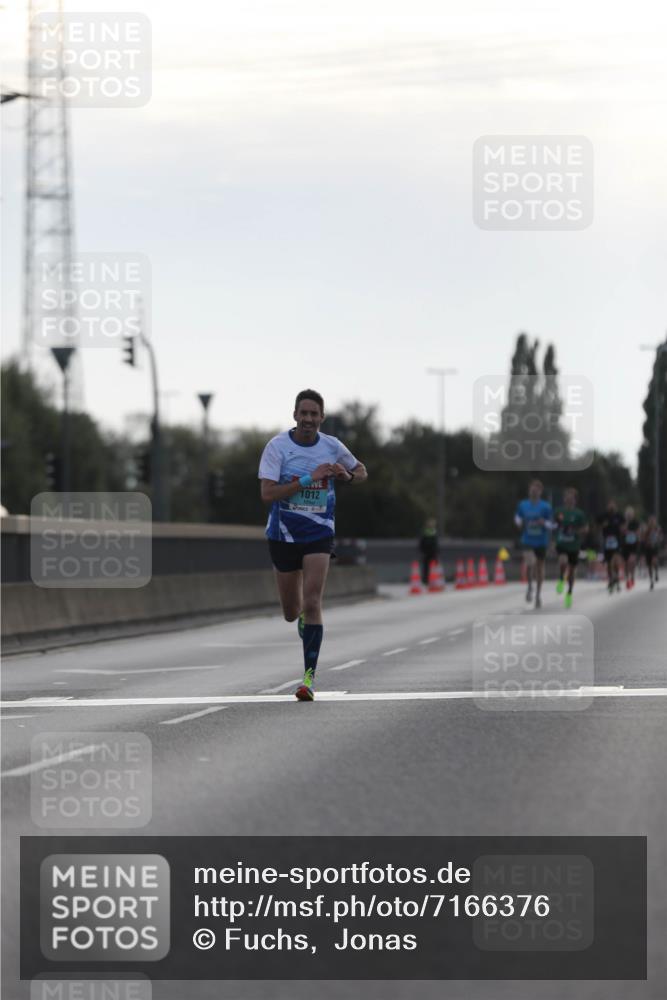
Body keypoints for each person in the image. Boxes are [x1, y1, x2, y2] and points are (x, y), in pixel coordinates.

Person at [258, 389, 368, 701]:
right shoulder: (277, 447)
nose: (308, 419)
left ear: (321, 418)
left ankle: (309, 678)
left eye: (314, 414)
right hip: (283, 535)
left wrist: (346, 476)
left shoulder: (332, 446)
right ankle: (302, 618)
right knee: (292, 612)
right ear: (295, 415)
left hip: (319, 534)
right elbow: (267, 494)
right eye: (303, 413)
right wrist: (309, 479)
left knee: (314, 600)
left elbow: (362, 472)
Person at [514, 479, 554, 609]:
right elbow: (518, 517)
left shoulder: (546, 507)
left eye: (536, 490)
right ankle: (530, 586)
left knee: (540, 567)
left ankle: (538, 594)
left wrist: (544, 523)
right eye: (532, 489)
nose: (533, 492)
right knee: (530, 562)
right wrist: (518, 522)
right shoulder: (523, 505)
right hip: (527, 539)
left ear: (540, 492)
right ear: (529, 491)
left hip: (541, 541)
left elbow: (552, 524)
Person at [553, 487, 587, 608]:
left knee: (572, 572)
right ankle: (561, 579)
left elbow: (585, 529)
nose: (569, 500)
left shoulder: (579, 514)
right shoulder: (559, 511)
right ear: (564, 499)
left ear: (575, 500)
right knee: (562, 561)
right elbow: (554, 525)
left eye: (571, 498)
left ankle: (569, 593)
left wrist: (576, 531)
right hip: (562, 544)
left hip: (574, 546)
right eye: (567, 497)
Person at [598, 501, 625, 593]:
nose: (611, 507)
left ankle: (616, 578)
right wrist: (602, 525)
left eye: (613, 505)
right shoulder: (603, 516)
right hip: (607, 542)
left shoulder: (619, 516)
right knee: (609, 563)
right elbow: (597, 524)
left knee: (615, 561)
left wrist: (622, 529)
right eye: (610, 505)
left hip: (617, 541)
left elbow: (624, 526)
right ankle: (611, 579)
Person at [641, 515, 663, 590]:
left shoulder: (657, 528)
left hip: (655, 548)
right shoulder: (646, 529)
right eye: (651, 521)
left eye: (653, 521)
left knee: (655, 561)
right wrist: (646, 540)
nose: (652, 523)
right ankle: (651, 581)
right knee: (649, 566)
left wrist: (658, 540)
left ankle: (656, 573)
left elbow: (660, 537)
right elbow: (643, 538)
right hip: (648, 549)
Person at [621, 506, 640, 590]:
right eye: (627, 514)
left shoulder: (636, 523)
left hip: (633, 545)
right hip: (625, 545)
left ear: (633, 515)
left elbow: (638, 532)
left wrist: (630, 532)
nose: (629, 516)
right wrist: (626, 524)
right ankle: (628, 579)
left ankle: (632, 577)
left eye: (630, 514)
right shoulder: (624, 522)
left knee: (631, 561)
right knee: (626, 564)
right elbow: (622, 531)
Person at [419, 517, 439, 586]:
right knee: (427, 567)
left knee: (432, 567)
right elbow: (422, 542)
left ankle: (432, 579)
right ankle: (427, 580)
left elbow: (435, 543)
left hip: (432, 552)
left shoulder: (434, 531)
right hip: (428, 552)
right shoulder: (427, 532)